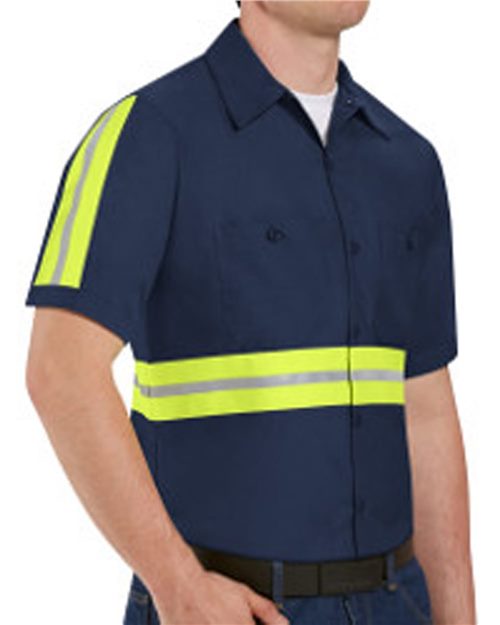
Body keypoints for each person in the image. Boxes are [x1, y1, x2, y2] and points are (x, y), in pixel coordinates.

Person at [25, 2, 476, 624]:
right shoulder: (148, 134)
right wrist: (178, 585)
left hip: (394, 604)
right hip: (232, 608)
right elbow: (61, 372)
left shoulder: (406, 161)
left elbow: (425, 410)